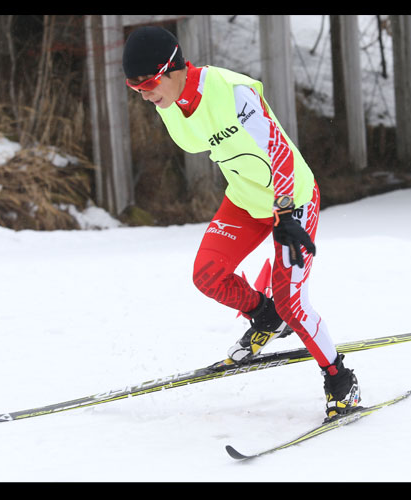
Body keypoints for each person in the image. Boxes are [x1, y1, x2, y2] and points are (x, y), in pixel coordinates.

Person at [122, 25, 360, 420]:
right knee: (208, 274)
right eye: (135, 89)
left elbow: (279, 151)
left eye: (147, 83)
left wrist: (284, 211)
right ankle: (266, 316)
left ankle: (340, 378)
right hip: (247, 201)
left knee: (291, 298)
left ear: (172, 68)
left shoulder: (231, 92)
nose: (145, 95)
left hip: (292, 199)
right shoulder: (169, 106)